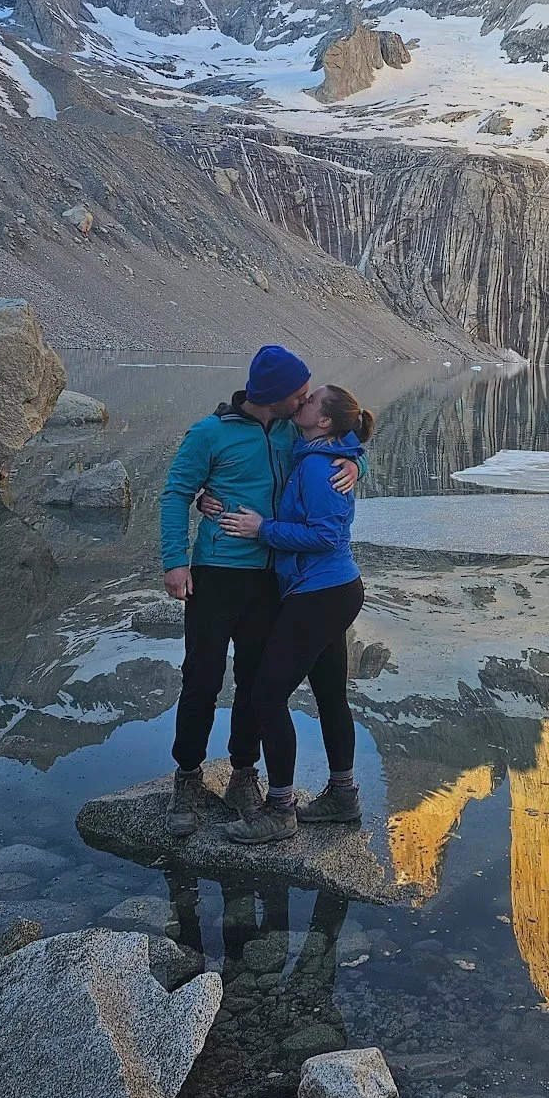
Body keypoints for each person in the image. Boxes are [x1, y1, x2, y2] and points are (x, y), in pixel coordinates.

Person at [158, 346, 365, 838]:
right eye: (299, 392)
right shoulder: (210, 433)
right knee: (202, 678)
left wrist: (357, 465)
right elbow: (175, 493)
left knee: (255, 683)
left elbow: (343, 439)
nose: (305, 398)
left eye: (307, 394)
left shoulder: (296, 430)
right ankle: (186, 778)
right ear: (275, 395)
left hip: (272, 578)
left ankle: (243, 774)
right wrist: (174, 562)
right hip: (216, 572)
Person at [215, 382, 374, 845]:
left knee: (266, 694)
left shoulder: (319, 468)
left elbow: (326, 535)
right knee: (329, 696)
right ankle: (343, 797)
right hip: (333, 590)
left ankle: (279, 810)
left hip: (320, 593)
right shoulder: (322, 454)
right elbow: (239, 408)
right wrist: (356, 459)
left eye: (311, 400)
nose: (300, 402)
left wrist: (263, 529)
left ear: (324, 421)